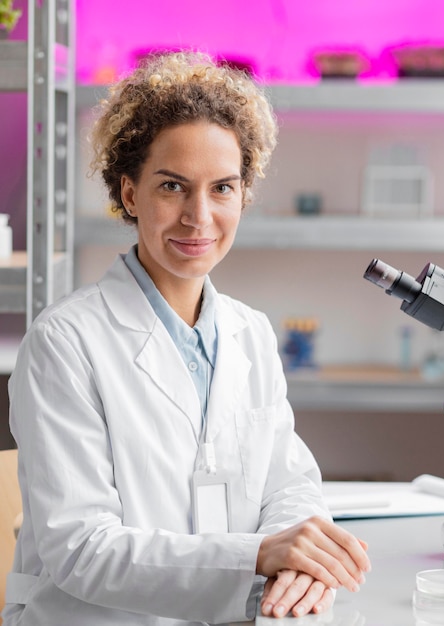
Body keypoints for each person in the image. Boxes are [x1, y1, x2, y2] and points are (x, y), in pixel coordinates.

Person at [3, 51, 371, 626]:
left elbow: (290, 486)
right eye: (173, 186)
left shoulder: (248, 332)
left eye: (222, 188)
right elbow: (80, 550)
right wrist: (258, 556)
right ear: (129, 195)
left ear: (243, 195)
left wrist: (300, 562)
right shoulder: (65, 342)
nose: (199, 217)